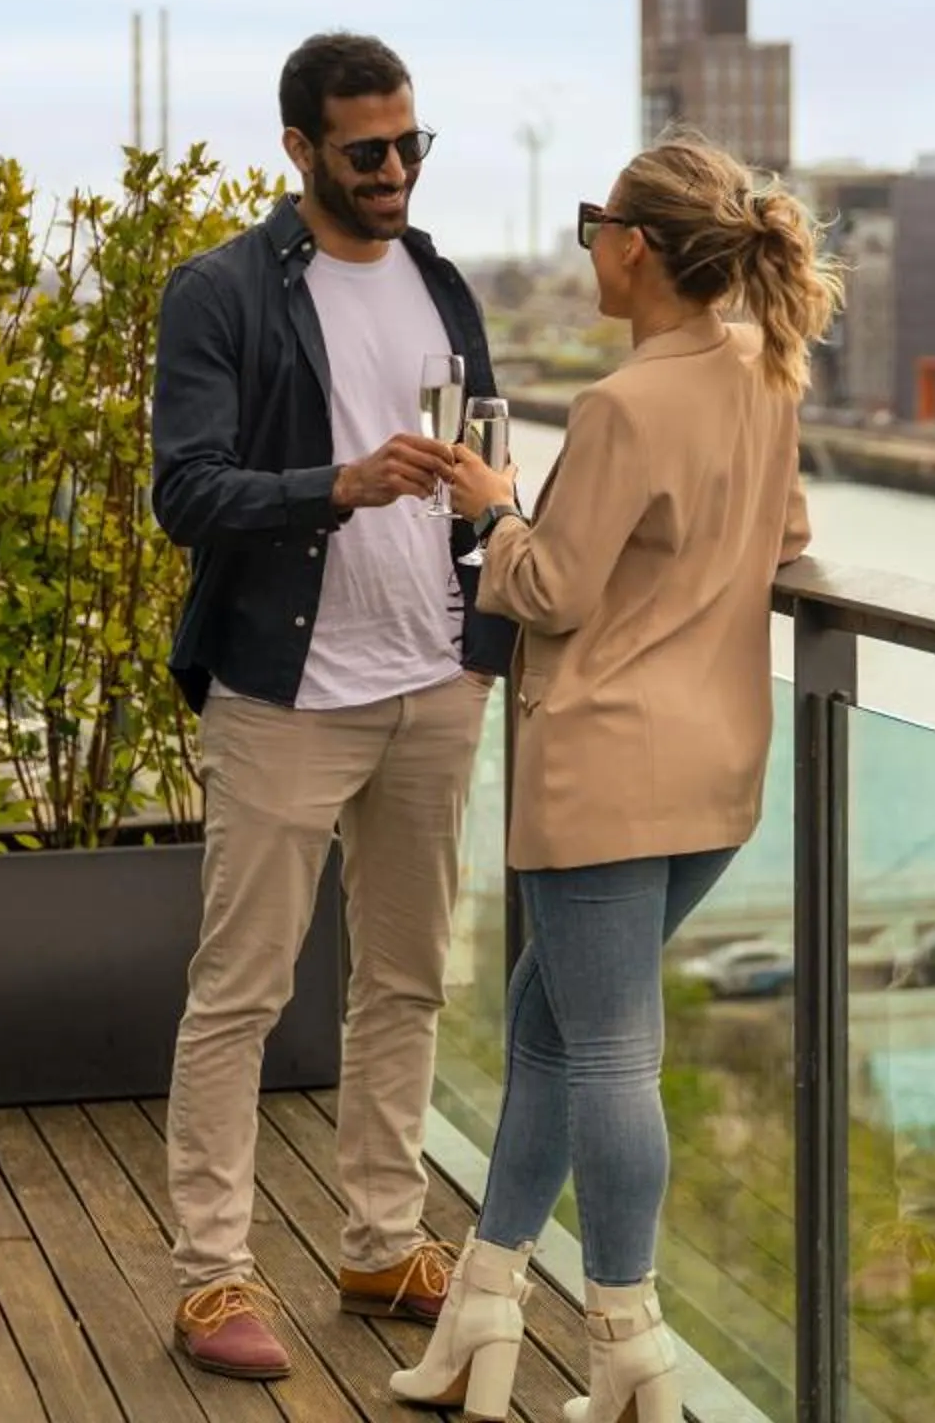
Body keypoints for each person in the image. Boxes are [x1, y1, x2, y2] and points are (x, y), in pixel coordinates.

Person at [391, 137, 838, 1421]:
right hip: (713, 773)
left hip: (602, 775)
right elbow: (787, 538)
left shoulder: (625, 405)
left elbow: (547, 588)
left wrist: (492, 502)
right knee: (544, 1028)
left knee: (608, 1056)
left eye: (597, 221)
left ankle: (629, 1336)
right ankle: (483, 1312)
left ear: (635, 245)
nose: (590, 241)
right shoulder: (763, 370)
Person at [148, 30, 516, 1382]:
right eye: (367, 150)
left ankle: (379, 1241)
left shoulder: (440, 283)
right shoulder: (223, 293)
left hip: (435, 685)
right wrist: (335, 484)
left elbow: (487, 465)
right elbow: (182, 492)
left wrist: (479, 636)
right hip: (285, 697)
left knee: (408, 981)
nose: (395, 171)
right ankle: (211, 1277)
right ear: (299, 148)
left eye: (412, 145)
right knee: (240, 992)